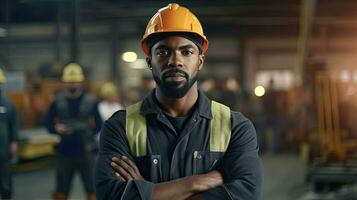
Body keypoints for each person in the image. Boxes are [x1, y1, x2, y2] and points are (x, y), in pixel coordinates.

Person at [95, 3, 262, 200]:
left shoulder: (235, 127)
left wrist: (147, 192)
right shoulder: (120, 127)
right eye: (163, 52)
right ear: (149, 61)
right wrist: (197, 182)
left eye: (187, 52)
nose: (175, 61)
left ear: (200, 60)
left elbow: (247, 194)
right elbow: (111, 195)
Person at [45, 63, 102, 200]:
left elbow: (99, 123)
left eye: (75, 81)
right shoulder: (57, 101)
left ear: (80, 81)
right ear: (65, 83)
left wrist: (88, 133)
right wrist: (56, 128)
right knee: (61, 190)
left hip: (86, 152)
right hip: (65, 152)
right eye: (70, 82)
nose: (73, 84)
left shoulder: (91, 101)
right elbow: (48, 123)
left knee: (92, 189)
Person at [0, 68, 19, 200]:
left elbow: (14, 124)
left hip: (4, 151)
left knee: (6, 183)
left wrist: (14, 142)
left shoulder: (8, 104)